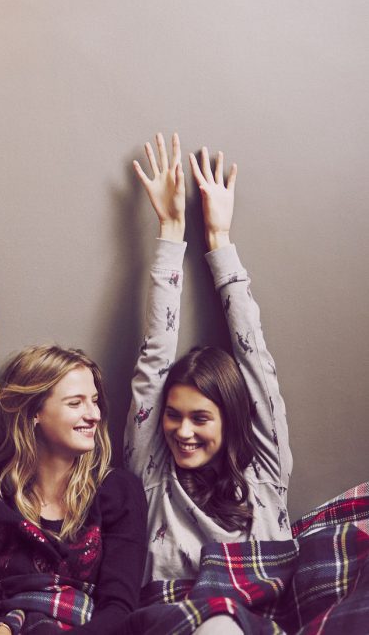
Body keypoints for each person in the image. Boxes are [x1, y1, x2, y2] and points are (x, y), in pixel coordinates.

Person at [123, 133, 292, 591]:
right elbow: (154, 357)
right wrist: (170, 230)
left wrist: (220, 239)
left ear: (231, 419)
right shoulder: (152, 475)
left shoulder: (265, 472)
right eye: (173, 416)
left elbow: (253, 353)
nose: (182, 431)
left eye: (200, 418)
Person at [0, 345, 148, 634]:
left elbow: (119, 606)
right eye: (76, 403)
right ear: (35, 413)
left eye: (94, 401)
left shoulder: (120, 492)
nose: (94, 415)